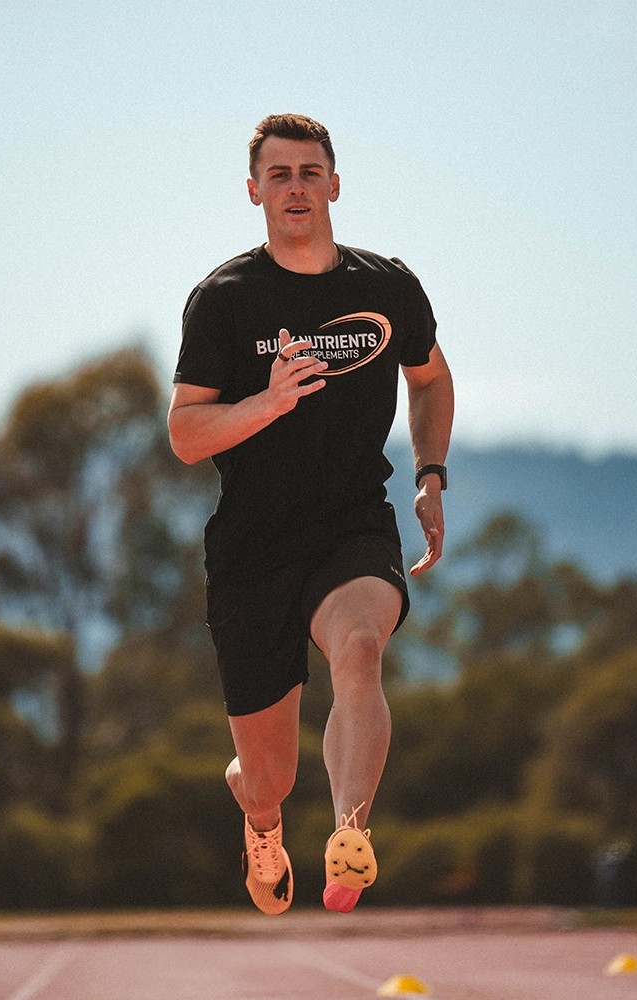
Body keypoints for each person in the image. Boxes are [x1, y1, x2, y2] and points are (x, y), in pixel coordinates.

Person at [167, 113, 454, 915]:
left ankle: (349, 835)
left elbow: (429, 379)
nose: (295, 187)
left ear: (334, 183)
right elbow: (186, 434)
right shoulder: (224, 300)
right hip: (252, 547)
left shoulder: (385, 287)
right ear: (254, 191)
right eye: (279, 174)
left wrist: (430, 473)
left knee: (359, 646)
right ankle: (262, 822)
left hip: (352, 524)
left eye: (309, 171)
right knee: (268, 776)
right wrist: (265, 403)